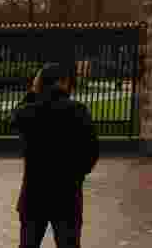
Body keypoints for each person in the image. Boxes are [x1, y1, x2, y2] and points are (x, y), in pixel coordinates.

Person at [10, 62, 100, 248]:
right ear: (64, 82)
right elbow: (92, 151)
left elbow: (14, 119)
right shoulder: (78, 110)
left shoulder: (29, 111)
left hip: (34, 193)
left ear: (40, 83)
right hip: (67, 193)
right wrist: (77, 174)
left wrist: (33, 92)